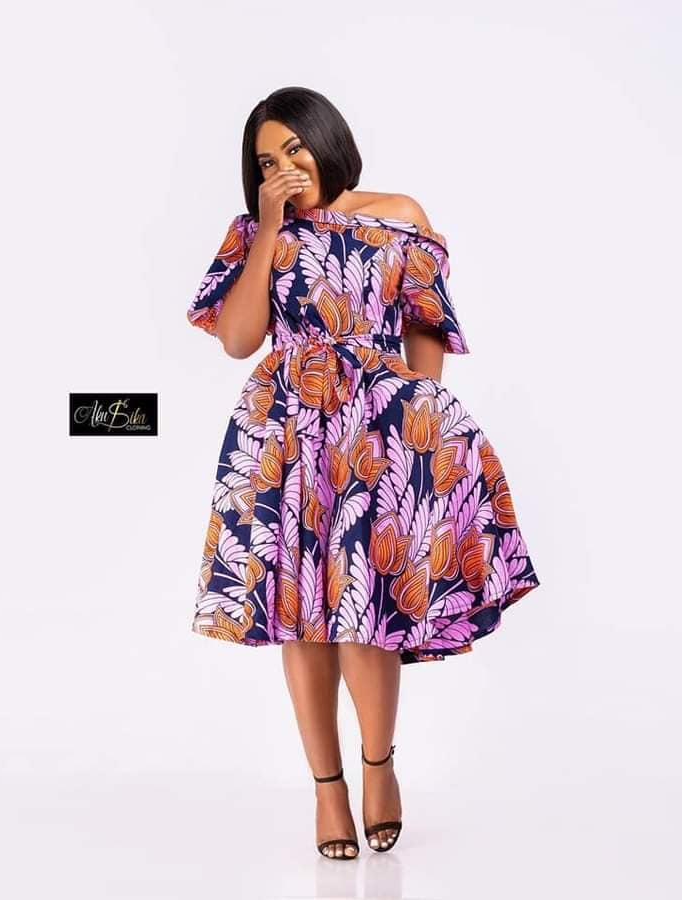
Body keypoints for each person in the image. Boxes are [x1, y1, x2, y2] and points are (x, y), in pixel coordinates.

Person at [186, 86, 541, 860]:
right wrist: (271, 228)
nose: (283, 168)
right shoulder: (254, 233)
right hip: (285, 435)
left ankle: (379, 767)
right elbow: (239, 339)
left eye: (294, 148)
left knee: (366, 611)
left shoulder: (398, 216)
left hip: (377, 433)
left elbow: (425, 335)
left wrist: (422, 434)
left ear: (326, 140)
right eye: (265, 162)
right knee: (301, 615)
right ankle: (328, 790)